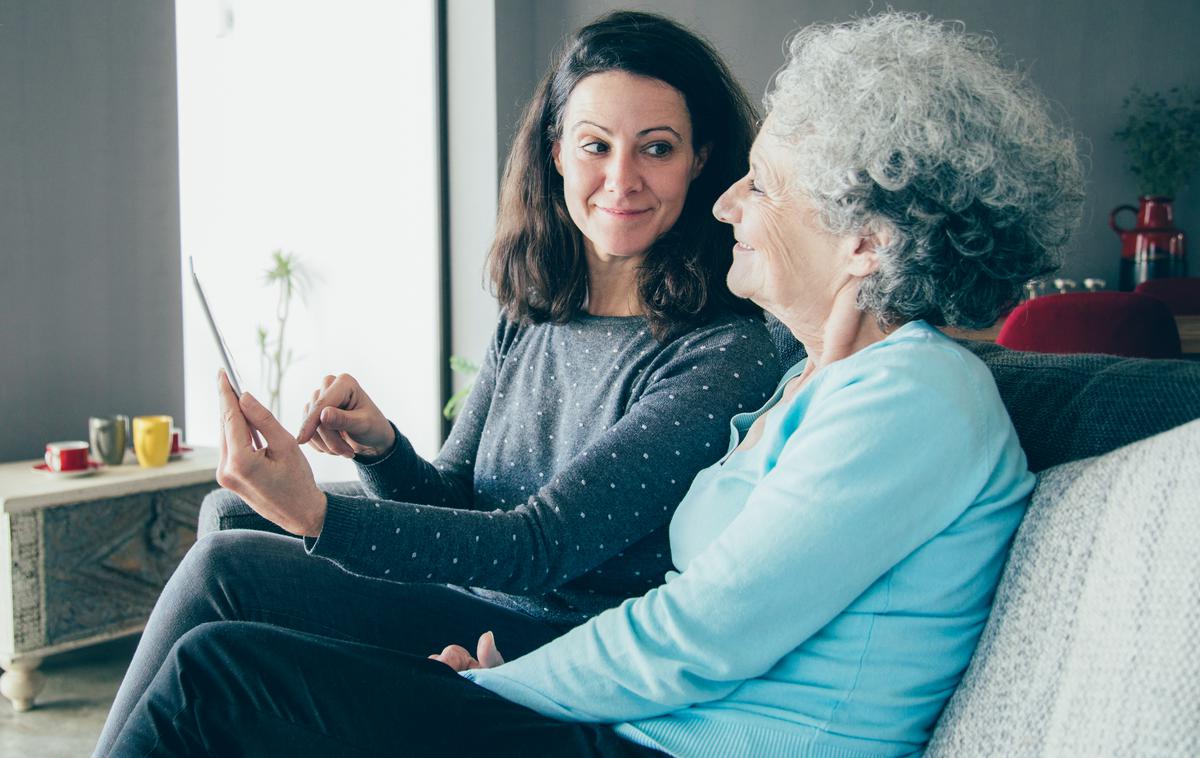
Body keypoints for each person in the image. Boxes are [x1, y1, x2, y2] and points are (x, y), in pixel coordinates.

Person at [106, 12, 1085, 757]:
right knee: (229, 605)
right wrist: (389, 467)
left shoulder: (910, 400)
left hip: (678, 738)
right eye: (595, 143)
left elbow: (695, 631)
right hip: (654, 715)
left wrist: (513, 680)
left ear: (867, 242)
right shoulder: (822, 387)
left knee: (218, 666)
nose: (730, 199)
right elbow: (688, 608)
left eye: (764, 182)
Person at [94, 10, 780, 757]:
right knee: (230, 515)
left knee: (225, 573)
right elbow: (459, 492)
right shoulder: (537, 309)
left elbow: (537, 547)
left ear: (700, 158)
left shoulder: (717, 351)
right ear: (556, 152)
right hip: (475, 597)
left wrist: (321, 515)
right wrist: (382, 450)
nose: (622, 179)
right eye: (595, 145)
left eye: (657, 148)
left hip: (555, 634)